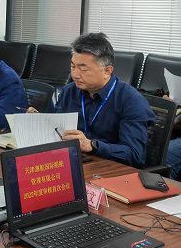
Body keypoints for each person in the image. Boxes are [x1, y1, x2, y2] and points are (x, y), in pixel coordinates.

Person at [29, 33, 154, 168]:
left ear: (107, 71)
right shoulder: (70, 91)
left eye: (83, 69)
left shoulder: (132, 102)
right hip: (72, 164)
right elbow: (59, 131)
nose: (74, 75)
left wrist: (92, 146)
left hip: (110, 170)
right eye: (73, 66)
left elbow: (134, 155)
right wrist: (41, 123)